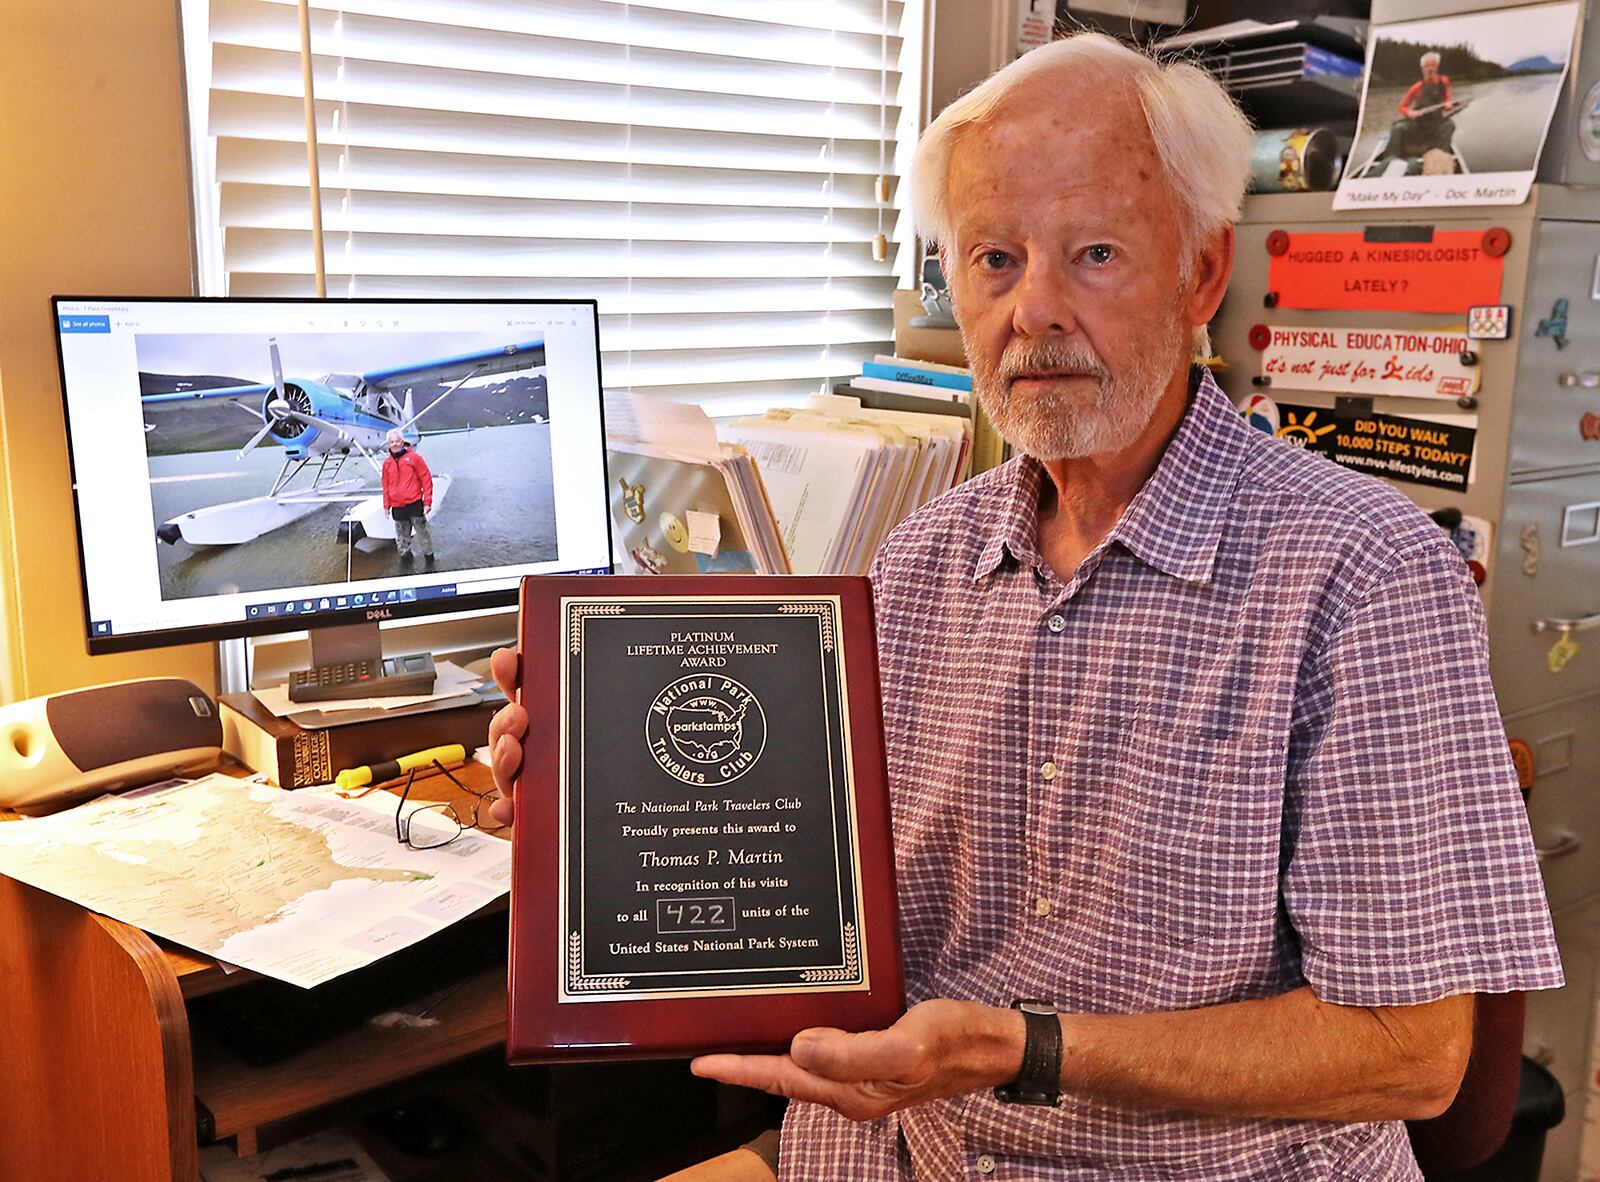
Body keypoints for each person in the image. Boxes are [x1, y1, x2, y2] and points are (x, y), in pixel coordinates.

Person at [486, 33, 1561, 1180]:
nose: (1034, 309)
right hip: (887, 1149)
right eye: (993, 259)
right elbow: (803, 889)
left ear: (1201, 272)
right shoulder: (917, 565)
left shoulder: (1365, 575)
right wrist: (588, 795)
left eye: (1092, 252)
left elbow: (1412, 1056)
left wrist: (1020, 1052)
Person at [1392, 51, 1460, 163]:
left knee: (1449, 125)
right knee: (1398, 129)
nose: (1430, 69)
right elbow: (1402, 107)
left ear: (1437, 67)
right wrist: (1409, 113)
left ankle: (1441, 159)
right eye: (1427, 66)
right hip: (1418, 123)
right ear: (1422, 68)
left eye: (1433, 65)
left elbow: (1447, 98)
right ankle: (1391, 161)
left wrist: (1448, 104)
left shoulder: (1444, 82)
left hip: (1436, 122)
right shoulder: (1417, 87)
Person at [381, 427, 434, 569]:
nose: (395, 444)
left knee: (423, 535)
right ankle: (406, 565)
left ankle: (430, 561)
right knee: (402, 541)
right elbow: (385, 485)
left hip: (415, 504)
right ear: (388, 444)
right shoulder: (387, 464)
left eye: (397, 441)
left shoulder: (414, 458)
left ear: (402, 441)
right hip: (398, 507)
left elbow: (426, 478)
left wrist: (427, 501)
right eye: (392, 442)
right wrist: (386, 505)